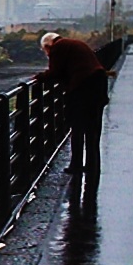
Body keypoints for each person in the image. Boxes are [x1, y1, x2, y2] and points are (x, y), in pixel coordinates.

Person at [36, 32, 109, 176]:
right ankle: (92, 166)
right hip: (98, 85)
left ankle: (76, 165)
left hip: (83, 89)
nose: (47, 54)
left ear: (47, 46)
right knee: (93, 130)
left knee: (78, 128)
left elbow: (55, 72)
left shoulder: (58, 48)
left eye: (46, 51)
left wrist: (39, 77)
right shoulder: (73, 44)